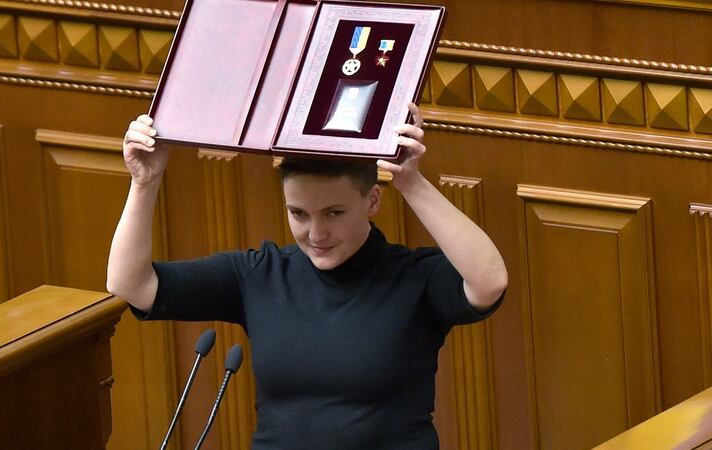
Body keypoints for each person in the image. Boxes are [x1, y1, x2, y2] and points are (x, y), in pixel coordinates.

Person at [106, 103, 508, 449]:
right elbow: (132, 286)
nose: (315, 235)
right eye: (298, 214)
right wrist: (145, 182)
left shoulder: (414, 278)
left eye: (334, 213)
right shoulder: (259, 274)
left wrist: (411, 180)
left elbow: (489, 281)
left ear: (372, 200)